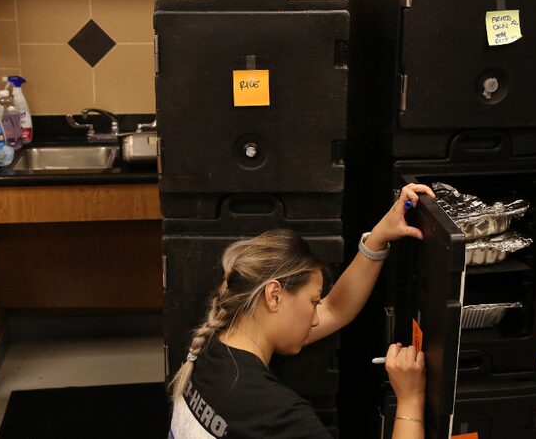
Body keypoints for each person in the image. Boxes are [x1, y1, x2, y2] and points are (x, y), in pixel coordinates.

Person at [168, 183, 433, 439]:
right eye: (313, 302)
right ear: (274, 296)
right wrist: (410, 399)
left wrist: (377, 239)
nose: (317, 317)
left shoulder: (210, 346)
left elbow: (336, 309)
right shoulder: (279, 417)